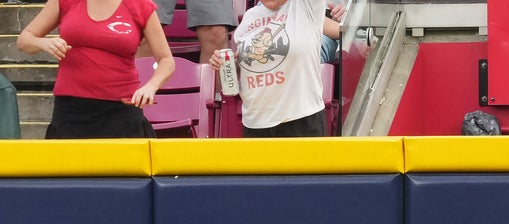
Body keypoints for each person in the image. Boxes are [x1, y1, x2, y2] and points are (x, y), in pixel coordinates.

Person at [17, 0, 175, 138]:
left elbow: (167, 60)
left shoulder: (140, 5)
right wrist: (43, 43)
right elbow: (25, 39)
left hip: (121, 112)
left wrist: (151, 87)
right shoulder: (65, 1)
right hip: (71, 112)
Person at [207, 0, 341, 136]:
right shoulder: (249, 16)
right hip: (255, 122)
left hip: (301, 119)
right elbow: (245, 69)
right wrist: (225, 64)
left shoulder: (307, 6)